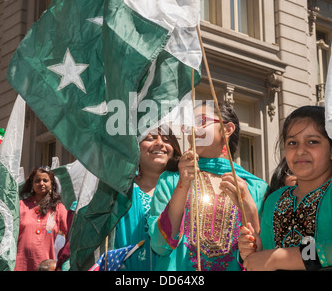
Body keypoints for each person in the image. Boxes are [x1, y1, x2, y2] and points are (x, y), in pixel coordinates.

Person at [238, 105, 332, 270]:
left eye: (312, 141)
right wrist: (257, 250)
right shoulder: (274, 199)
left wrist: (280, 257)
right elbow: (267, 258)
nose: (300, 150)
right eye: (292, 143)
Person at [148, 101, 268, 271]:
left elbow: (261, 255)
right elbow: (159, 245)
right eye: (189, 124)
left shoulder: (256, 188)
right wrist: (183, 186)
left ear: (227, 129)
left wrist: (248, 206)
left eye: (201, 121)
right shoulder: (172, 180)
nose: (193, 129)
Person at [114, 125, 182, 271]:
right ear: (135, 147)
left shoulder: (185, 187)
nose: (159, 143)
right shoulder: (119, 191)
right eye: (150, 138)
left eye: (166, 140)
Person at [15, 166, 68, 271]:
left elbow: (71, 234)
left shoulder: (58, 208)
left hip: (47, 267)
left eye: (45, 180)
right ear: (32, 184)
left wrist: (64, 259)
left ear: (51, 184)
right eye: (37, 181)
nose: (41, 183)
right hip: (20, 265)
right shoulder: (21, 205)